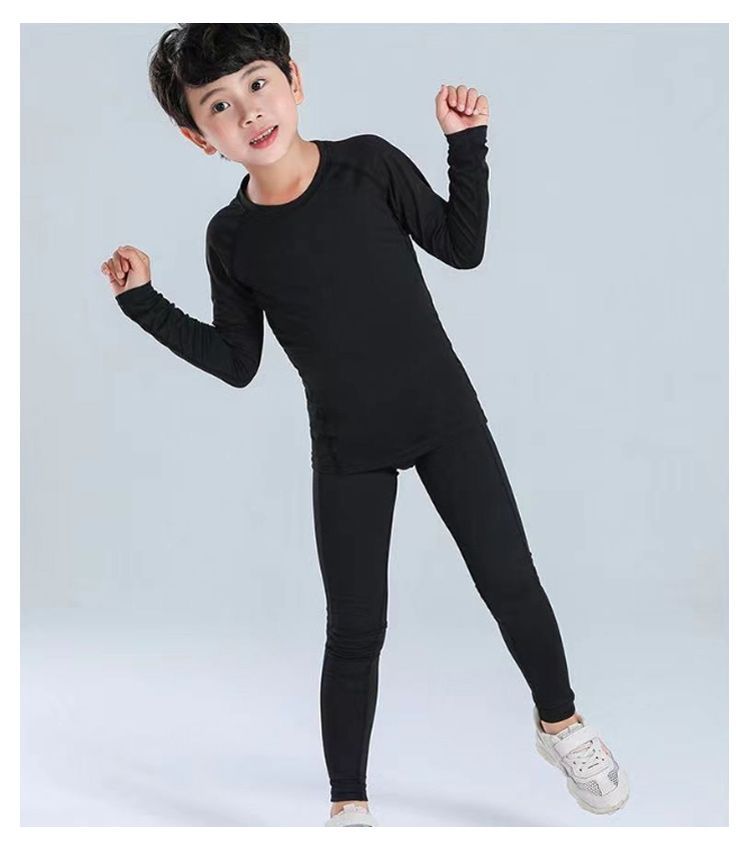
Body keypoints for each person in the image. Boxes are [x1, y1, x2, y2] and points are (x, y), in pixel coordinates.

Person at [100, 23, 629, 826]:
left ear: (293, 80)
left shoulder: (368, 165)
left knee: (510, 581)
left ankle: (562, 725)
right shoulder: (231, 238)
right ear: (197, 136)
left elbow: (461, 247)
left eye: (256, 84)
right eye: (219, 105)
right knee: (354, 629)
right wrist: (142, 302)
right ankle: (348, 805)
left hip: (444, 417)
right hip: (348, 447)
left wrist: (467, 145)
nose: (248, 111)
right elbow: (237, 362)